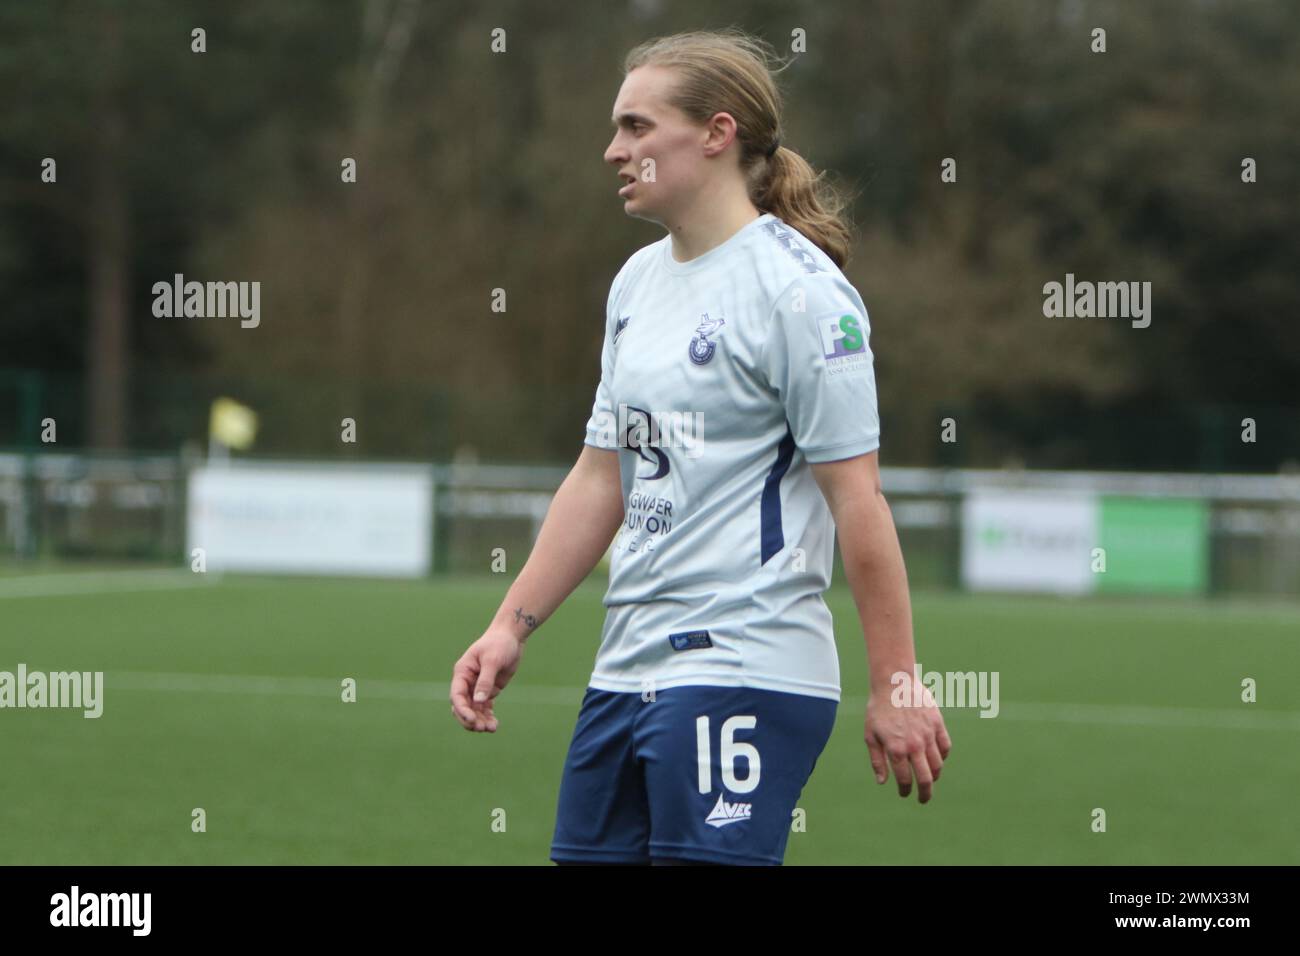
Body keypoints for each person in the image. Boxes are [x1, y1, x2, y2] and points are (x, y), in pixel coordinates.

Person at [450, 28, 951, 866]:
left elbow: (858, 501)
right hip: (624, 668)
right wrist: (512, 624)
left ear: (717, 134)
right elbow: (599, 476)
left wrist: (896, 682)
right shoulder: (636, 283)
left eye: (639, 127)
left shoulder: (800, 294)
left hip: (745, 664)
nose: (615, 150)